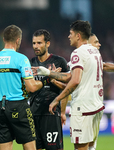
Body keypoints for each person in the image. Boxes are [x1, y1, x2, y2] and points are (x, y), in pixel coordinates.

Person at [32, 20, 105, 150]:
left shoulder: (77, 53)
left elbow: (74, 81)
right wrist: (49, 73)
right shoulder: (95, 52)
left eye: (71, 33)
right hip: (96, 106)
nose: (68, 36)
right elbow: (70, 77)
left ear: (78, 35)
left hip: (83, 108)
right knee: (91, 148)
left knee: (80, 148)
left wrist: (57, 99)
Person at [0, 25, 44, 150]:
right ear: (18, 40)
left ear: (3, 39)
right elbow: (31, 87)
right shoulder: (21, 59)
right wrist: (44, 81)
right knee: (30, 147)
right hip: (18, 106)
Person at [29, 29, 69, 150]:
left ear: (48, 44)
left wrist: (62, 112)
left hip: (51, 113)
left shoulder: (59, 62)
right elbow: (28, 89)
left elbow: (68, 88)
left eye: (39, 43)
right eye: (34, 43)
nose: (36, 46)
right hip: (33, 114)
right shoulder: (30, 63)